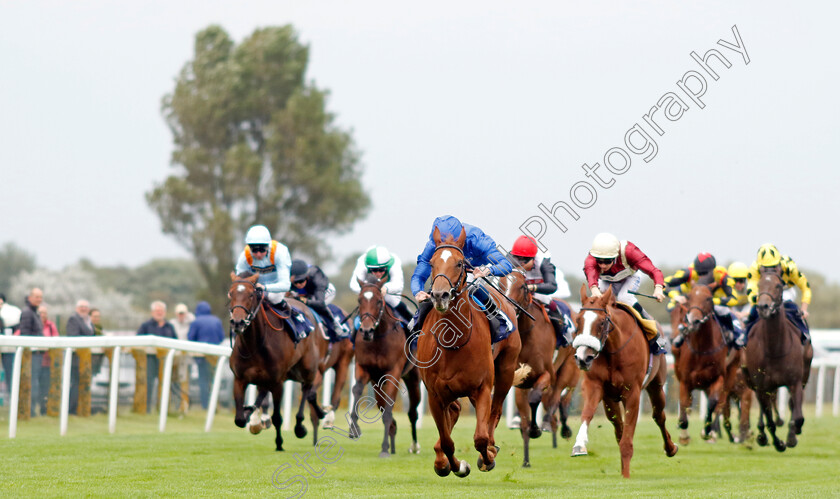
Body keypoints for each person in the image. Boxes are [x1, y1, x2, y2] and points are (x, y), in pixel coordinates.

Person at [409, 215, 515, 339]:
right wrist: (417, 292)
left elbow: (506, 265)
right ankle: (416, 328)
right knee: (435, 290)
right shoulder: (433, 246)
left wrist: (488, 270)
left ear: (461, 238)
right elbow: (419, 276)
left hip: (474, 269)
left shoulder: (477, 240)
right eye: (442, 244)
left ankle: (498, 318)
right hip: (448, 272)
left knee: (472, 286)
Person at [583, 233, 667, 354]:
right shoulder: (590, 260)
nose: (602, 265)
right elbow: (592, 280)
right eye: (599, 261)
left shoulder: (629, 251)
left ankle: (653, 331)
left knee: (624, 298)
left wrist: (658, 288)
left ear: (615, 256)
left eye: (607, 261)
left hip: (629, 279)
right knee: (595, 303)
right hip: (606, 281)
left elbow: (654, 271)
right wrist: (596, 293)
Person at [664, 253, 746, 349]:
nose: (703, 277)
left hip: (711, 300)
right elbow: (663, 283)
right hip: (690, 299)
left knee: (723, 310)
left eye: (706, 273)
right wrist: (675, 296)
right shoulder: (688, 272)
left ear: (713, 271)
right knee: (672, 307)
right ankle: (677, 335)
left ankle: (736, 335)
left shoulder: (722, 275)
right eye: (700, 274)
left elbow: (734, 299)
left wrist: (712, 301)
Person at [507, 235, 574, 347]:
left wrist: (531, 287)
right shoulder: (510, 258)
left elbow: (552, 286)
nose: (520, 263)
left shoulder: (544, 262)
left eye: (524, 260)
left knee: (548, 302)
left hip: (538, 288)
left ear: (533, 258)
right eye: (517, 258)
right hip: (518, 289)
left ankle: (564, 332)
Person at [745, 243, 812, 345]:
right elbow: (751, 289)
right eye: (766, 268)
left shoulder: (789, 267)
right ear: (760, 265)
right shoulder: (754, 268)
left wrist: (804, 309)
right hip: (765, 292)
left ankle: (804, 334)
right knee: (753, 312)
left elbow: (805, 287)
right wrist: (756, 301)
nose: (769, 271)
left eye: (773, 267)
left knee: (792, 308)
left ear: (779, 263)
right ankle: (745, 339)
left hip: (785, 290)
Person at [349, 245, 413, 324]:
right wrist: (369, 289)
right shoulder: (362, 261)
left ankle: (413, 325)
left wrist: (386, 288)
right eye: (374, 270)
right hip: (369, 288)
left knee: (393, 300)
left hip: (387, 290)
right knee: (364, 303)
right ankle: (353, 334)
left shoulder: (394, 262)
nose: (378, 273)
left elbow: (398, 284)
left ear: (387, 266)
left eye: (382, 269)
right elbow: (354, 284)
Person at [234, 225, 293, 307]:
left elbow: (286, 285)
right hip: (256, 289)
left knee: (274, 298)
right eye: (254, 250)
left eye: (262, 249)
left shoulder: (280, 252)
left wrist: (264, 288)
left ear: (268, 246)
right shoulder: (244, 257)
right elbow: (239, 283)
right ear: (249, 247)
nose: (258, 254)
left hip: (276, 290)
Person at [289, 259, 349, 339]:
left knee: (318, 306)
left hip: (324, 292)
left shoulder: (316, 275)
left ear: (307, 276)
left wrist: (305, 300)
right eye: (295, 282)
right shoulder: (288, 276)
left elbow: (320, 303)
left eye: (301, 281)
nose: (298, 284)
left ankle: (336, 325)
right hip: (306, 293)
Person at [136, 301, 177, 413]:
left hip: (165, 360)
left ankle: (163, 409)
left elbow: (175, 341)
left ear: (164, 312)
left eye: (161, 311)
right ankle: (147, 408)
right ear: (152, 312)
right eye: (157, 311)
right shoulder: (145, 326)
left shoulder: (169, 326)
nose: (159, 313)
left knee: (165, 383)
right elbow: (138, 341)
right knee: (149, 383)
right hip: (149, 359)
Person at [187, 301, 225, 410]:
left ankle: (205, 405)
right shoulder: (217, 321)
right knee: (215, 380)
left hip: (201, 356)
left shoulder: (196, 322)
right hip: (215, 355)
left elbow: (190, 338)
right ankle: (215, 406)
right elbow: (221, 337)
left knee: (203, 381)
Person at [18, 288, 45, 416]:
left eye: (40, 297)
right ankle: (30, 411)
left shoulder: (35, 312)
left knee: (35, 383)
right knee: (32, 383)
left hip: (37, 354)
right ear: (30, 298)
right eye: (36, 297)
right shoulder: (28, 312)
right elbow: (25, 332)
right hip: (32, 354)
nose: (39, 299)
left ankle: (32, 410)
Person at [65, 299, 94, 415]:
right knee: (76, 384)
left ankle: (81, 407)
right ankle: (72, 409)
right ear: (77, 308)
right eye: (81, 307)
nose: (84, 309)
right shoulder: (74, 319)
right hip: (77, 359)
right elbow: (73, 336)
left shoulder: (88, 321)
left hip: (86, 359)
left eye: (86, 307)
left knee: (83, 383)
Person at [37, 304, 59, 415]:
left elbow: (56, 340)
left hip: (46, 362)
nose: (42, 315)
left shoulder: (51, 326)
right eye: (40, 313)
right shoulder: (33, 324)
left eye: (44, 313)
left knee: (45, 388)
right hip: (34, 361)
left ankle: (44, 409)